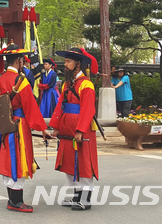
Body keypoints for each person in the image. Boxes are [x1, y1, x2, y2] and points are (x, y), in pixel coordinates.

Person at [0, 45, 52, 213]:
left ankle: (12, 198)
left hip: (6, 124)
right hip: (19, 124)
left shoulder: (2, 79)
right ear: (18, 61)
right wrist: (42, 128)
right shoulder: (20, 80)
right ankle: (16, 202)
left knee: (9, 158)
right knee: (19, 158)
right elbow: (30, 106)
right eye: (22, 61)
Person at [50, 48, 99, 211]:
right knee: (71, 163)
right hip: (66, 129)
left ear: (78, 64)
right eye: (65, 62)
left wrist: (80, 130)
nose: (65, 65)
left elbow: (88, 110)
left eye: (68, 62)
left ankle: (86, 199)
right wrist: (56, 127)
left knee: (84, 163)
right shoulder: (67, 84)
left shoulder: (86, 84)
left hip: (81, 130)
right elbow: (60, 106)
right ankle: (77, 196)